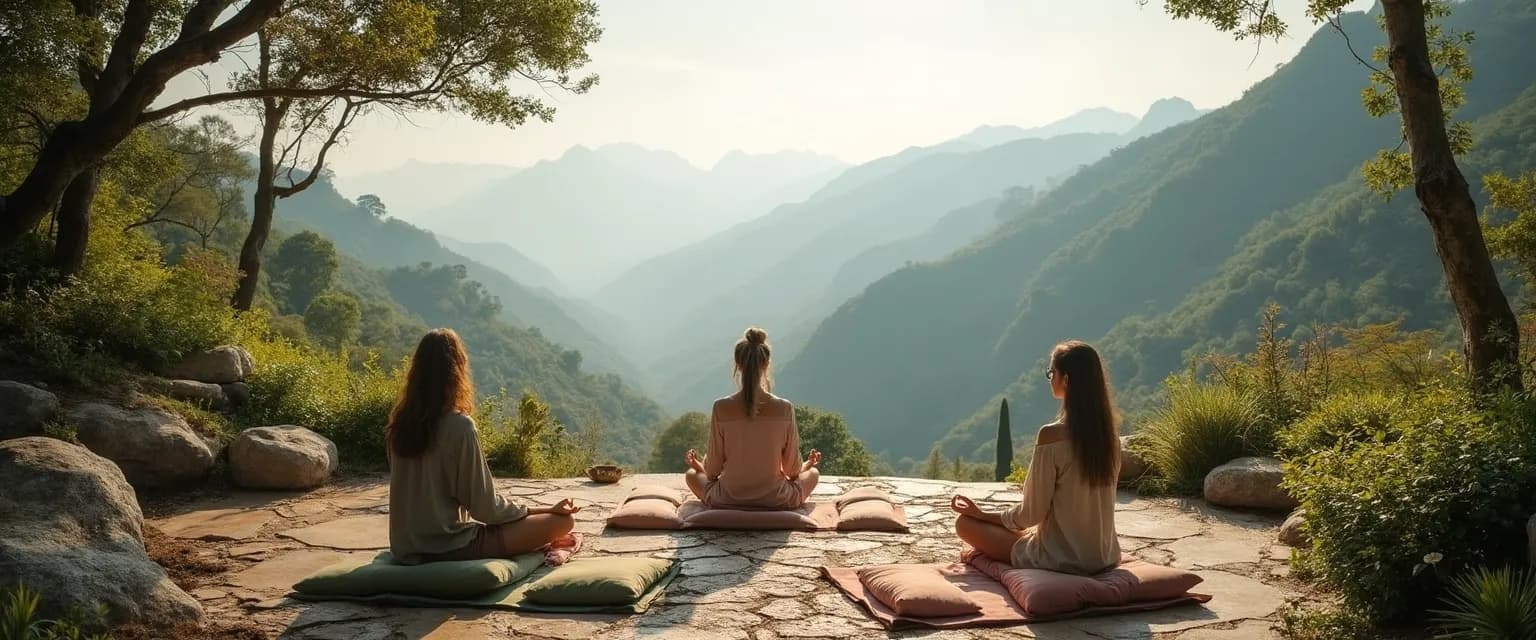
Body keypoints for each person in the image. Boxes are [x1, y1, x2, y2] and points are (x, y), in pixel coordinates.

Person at [386, 328, 580, 564]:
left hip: (405, 545)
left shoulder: (399, 424)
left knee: (547, 522)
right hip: (448, 545)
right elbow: (486, 510)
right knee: (562, 523)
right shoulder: (459, 427)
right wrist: (546, 510)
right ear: (457, 371)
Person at [951, 340, 1122, 575]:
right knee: (1020, 532)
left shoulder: (1052, 436)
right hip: (1105, 556)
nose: (1050, 378)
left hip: (1059, 559)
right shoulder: (1109, 437)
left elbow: (1030, 514)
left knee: (965, 525)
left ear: (1067, 380)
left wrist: (981, 515)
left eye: (1051, 373)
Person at [684, 327, 821, 509]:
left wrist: (697, 465)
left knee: (691, 475)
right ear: (766, 364)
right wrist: (809, 464)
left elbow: (712, 472)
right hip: (778, 499)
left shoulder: (721, 407)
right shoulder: (784, 408)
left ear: (737, 364)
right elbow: (792, 471)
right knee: (813, 474)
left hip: (727, 498)